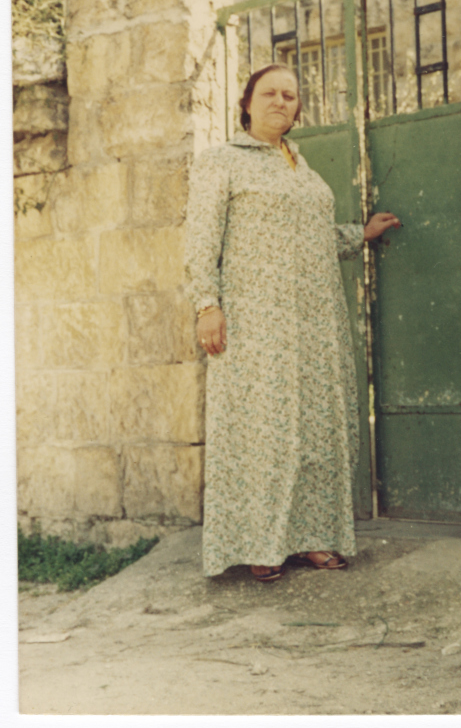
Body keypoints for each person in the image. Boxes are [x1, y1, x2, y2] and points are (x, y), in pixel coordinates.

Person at [184, 64, 400, 582]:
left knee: (315, 427)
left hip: (315, 321)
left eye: (290, 95)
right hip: (257, 323)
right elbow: (200, 237)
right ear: (247, 103)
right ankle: (261, 543)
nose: (281, 101)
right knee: (263, 429)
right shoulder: (222, 162)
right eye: (270, 93)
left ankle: (310, 539)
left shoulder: (301, 168)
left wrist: (359, 235)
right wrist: (206, 304)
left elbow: (312, 238)